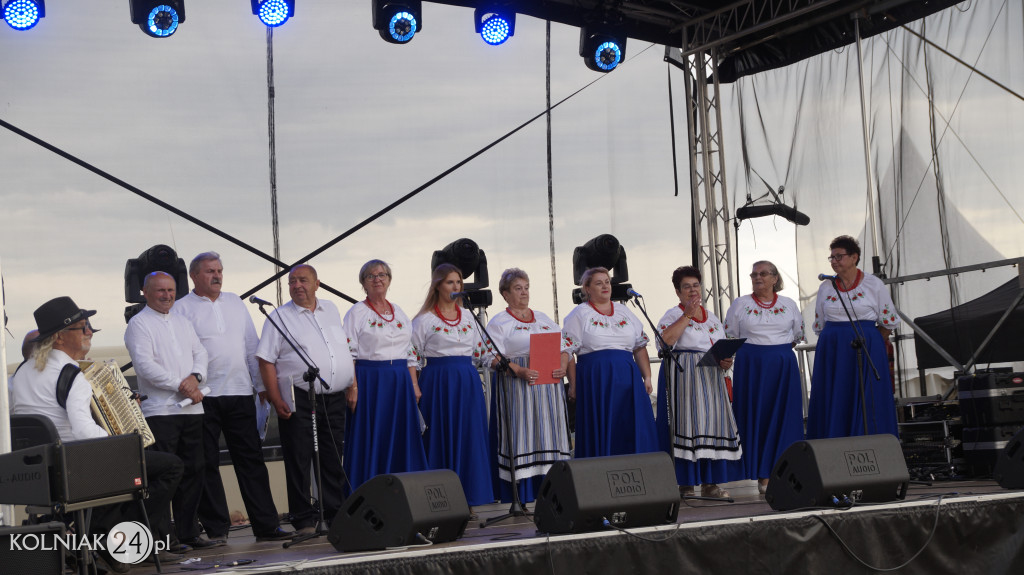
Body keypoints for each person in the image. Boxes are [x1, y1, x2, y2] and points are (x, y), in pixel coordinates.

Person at [11, 296, 184, 571]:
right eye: (81, 327)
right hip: (76, 470)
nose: (89, 331)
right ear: (58, 337)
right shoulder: (70, 374)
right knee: (169, 466)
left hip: (39, 472)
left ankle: (102, 535)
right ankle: (114, 540)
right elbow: (82, 431)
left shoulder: (21, 372)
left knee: (125, 462)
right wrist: (119, 442)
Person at [173, 252, 292, 542]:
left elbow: (252, 345)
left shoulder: (236, 302)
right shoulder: (181, 308)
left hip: (240, 392)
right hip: (203, 396)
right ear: (194, 276)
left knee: (250, 460)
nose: (217, 275)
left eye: (220, 270)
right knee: (206, 464)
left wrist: (260, 385)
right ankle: (216, 529)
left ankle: (266, 525)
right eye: (210, 271)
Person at [256, 264, 357, 535]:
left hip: (333, 396)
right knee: (299, 458)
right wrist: (276, 399)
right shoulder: (279, 317)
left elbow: (342, 351)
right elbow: (265, 359)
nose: (297, 285)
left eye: (303, 280)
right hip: (299, 397)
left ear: (317, 284)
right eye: (292, 281)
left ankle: (335, 513)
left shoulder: (332, 309)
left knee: (332, 457)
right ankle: (303, 519)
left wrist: (352, 382)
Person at [125, 272, 222, 550]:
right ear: (145, 292)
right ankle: (164, 538)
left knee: (194, 471)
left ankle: (189, 531)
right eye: (160, 291)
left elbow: (200, 354)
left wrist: (196, 377)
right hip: (160, 411)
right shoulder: (139, 324)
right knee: (164, 476)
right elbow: (145, 367)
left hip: (192, 409)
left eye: (170, 290)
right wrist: (182, 384)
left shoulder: (182, 321)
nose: (167, 295)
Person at [410, 263, 494, 509]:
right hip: (438, 381)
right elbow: (412, 355)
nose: (456, 287)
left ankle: (471, 495)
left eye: (458, 282)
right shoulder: (424, 319)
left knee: (469, 435)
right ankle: (443, 497)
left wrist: (508, 365)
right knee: (441, 435)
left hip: (467, 380)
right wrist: (415, 385)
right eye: (450, 282)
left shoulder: (468, 316)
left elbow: (482, 351)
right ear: (438, 286)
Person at [655, 266, 742, 498]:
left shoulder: (712, 317)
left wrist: (726, 361)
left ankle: (710, 483)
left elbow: (719, 346)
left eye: (695, 285)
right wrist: (688, 315)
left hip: (711, 379)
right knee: (688, 427)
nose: (692, 290)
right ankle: (686, 484)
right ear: (678, 292)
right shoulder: (672, 314)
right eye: (686, 286)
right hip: (685, 379)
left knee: (710, 428)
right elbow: (665, 342)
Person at [342, 259, 428, 493]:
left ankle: (406, 491)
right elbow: (348, 353)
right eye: (371, 276)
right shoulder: (357, 312)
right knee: (373, 437)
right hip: (371, 380)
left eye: (382, 275)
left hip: (399, 381)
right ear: (363, 283)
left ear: (389, 280)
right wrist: (353, 386)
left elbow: (409, 351)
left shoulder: (398, 311)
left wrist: (414, 385)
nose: (377, 279)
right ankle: (370, 491)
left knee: (402, 436)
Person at [486, 268, 570, 503]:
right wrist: (519, 369)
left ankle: (552, 489)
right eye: (517, 288)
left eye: (526, 287)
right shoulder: (499, 322)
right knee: (522, 435)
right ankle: (522, 494)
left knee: (548, 434)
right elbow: (489, 356)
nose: (523, 293)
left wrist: (562, 365)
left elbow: (564, 348)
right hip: (518, 386)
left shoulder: (543, 318)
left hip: (548, 388)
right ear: (505, 294)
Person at [560, 267, 658, 458]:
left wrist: (647, 376)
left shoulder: (625, 312)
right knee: (603, 427)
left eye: (607, 281)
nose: (605, 286)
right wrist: (573, 385)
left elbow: (639, 346)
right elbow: (567, 350)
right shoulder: (579, 314)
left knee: (632, 426)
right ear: (587, 288)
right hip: (596, 378)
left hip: (627, 377)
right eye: (598, 283)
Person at [808, 235, 900, 439]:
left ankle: (872, 445)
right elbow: (821, 324)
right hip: (834, 349)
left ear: (854, 257)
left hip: (866, 346)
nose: (834, 261)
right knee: (836, 396)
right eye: (831, 258)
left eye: (839, 256)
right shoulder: (826, 287)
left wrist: (873, 341)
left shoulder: (873, 284)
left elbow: (889, 321)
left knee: (868, 396)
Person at [724, 261, 804, 494]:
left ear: (775, 278)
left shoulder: (789, 304)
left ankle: (788, 471)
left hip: (782, 364)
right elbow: (730, 334)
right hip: (752, 365)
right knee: (757, 415)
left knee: (784, 417)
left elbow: (797, 334)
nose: (758, 277)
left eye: (763, 274)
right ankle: (763, 474)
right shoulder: (741, 304)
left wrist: (776, 352)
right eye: (754, 274)